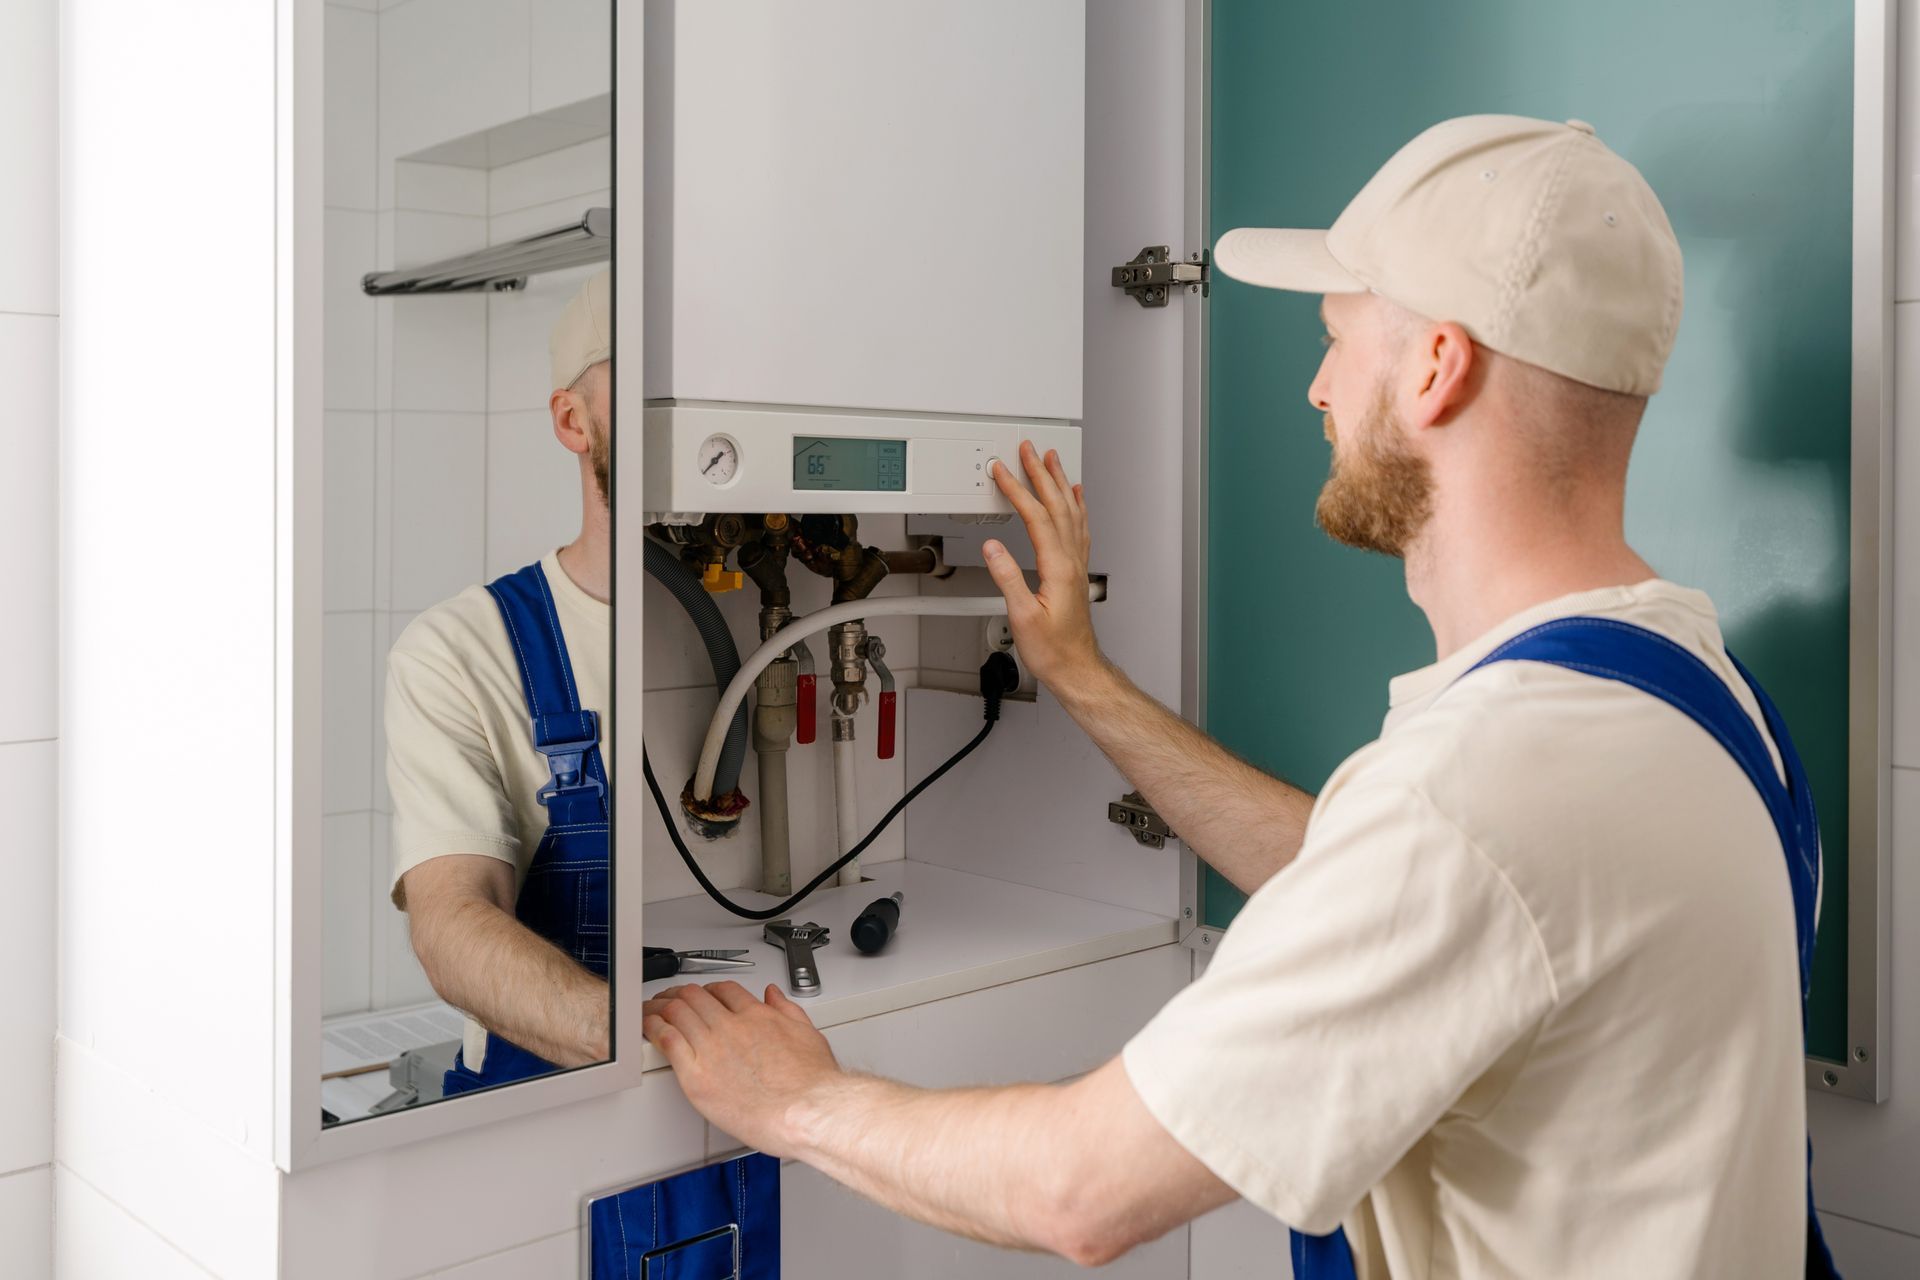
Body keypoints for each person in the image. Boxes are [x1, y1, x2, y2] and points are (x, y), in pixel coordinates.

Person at [642, 116, 1834, 1277]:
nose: (1318, 389)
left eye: (1336, 337)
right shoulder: (1702, 701)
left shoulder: (1474, 796)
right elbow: (1398, 890)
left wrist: (801, 1101)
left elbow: (1080, 1189)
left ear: (1436, 367)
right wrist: (1083, 679)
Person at [387, 270, 615, 1093]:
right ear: (572, 420)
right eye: (647, 382)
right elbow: (451, 923)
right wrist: (638, 1043)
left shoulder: (760, 638)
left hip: (744, 1095)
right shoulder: (461, 651)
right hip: (539, 1115)